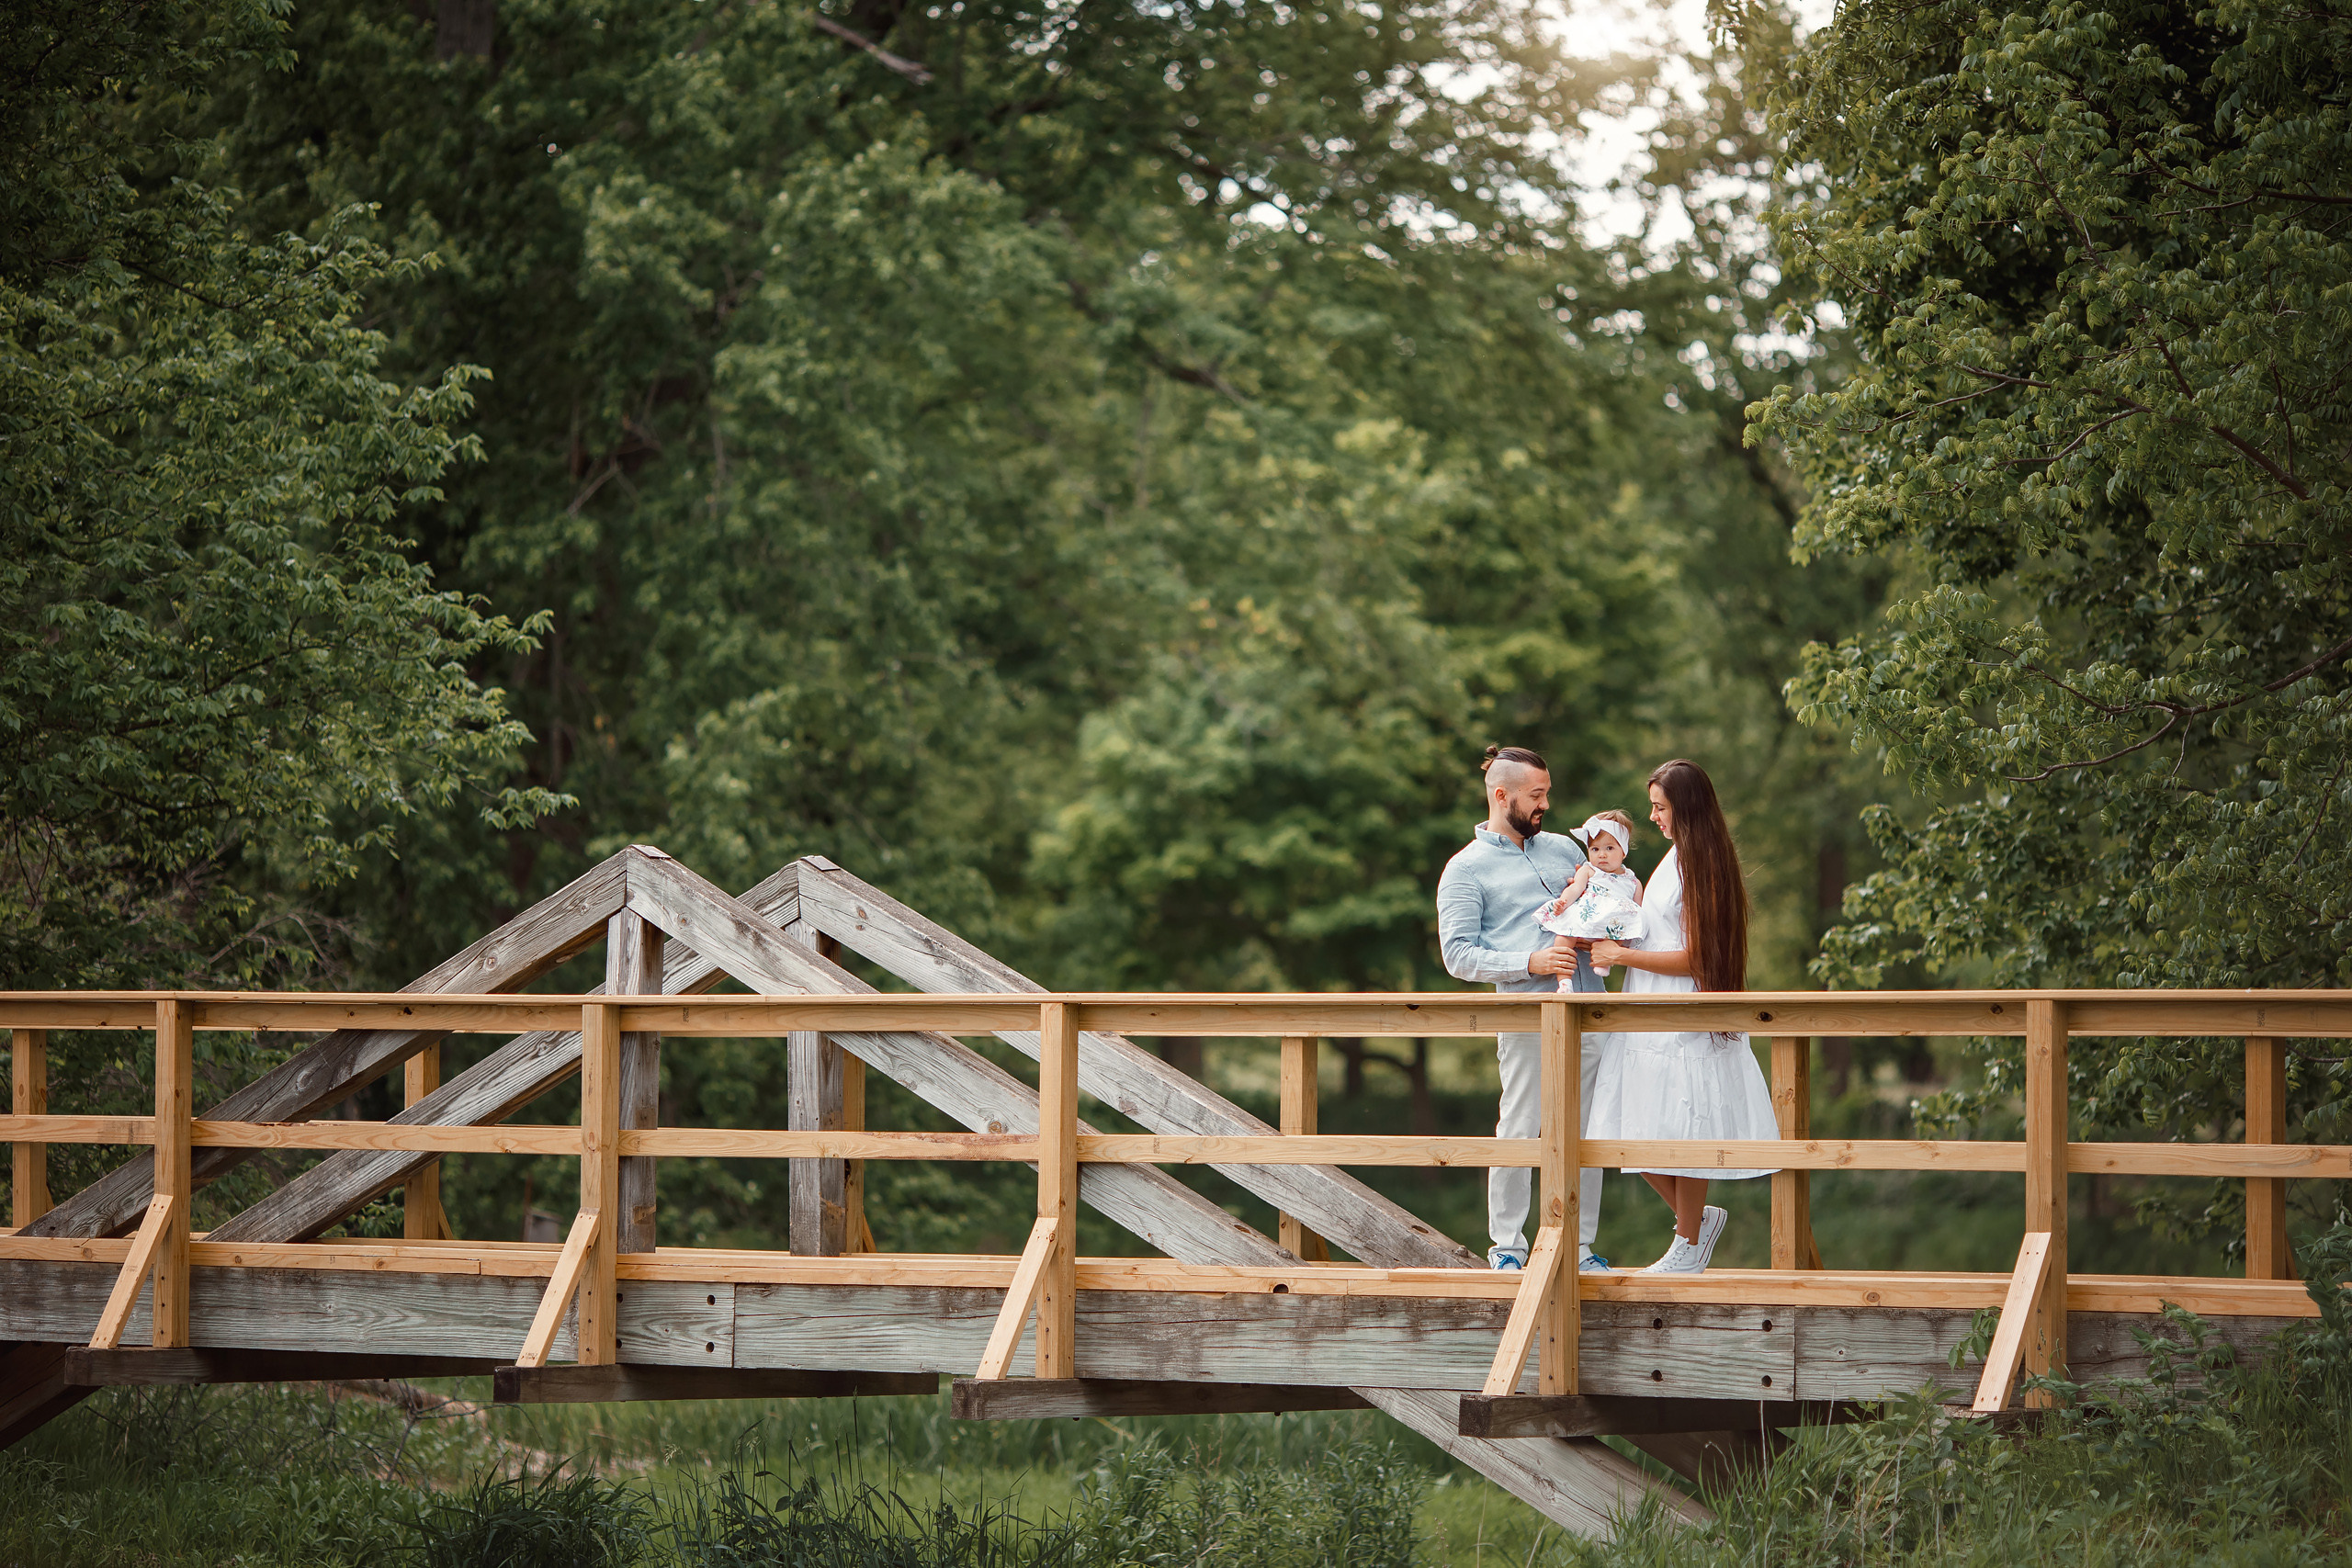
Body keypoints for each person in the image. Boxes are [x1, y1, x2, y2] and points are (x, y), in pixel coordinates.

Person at [1581, 759, 1779, 1274]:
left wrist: (1621, 956)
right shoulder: (1673, 857)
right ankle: (1695, 1221)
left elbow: (1698, 957)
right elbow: (1656, 927)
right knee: (1624, 1129)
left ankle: (1687, 1242)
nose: (1651, 817)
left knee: (1679, 1124)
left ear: (1685, 809)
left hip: (1679, 1011)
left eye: (1660, 807)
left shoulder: (1701, 864)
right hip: (1647, 1008)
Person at [1436, 745, 1611, 1274]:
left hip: (1589, 1010)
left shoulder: (1563, 850)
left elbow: (1611, 892)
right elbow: (1457, 955)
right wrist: (1530, 961)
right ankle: (1507, 1249)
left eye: (1547, 794)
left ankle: (1580, 1250)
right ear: (1501, 795)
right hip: (1527, 1018)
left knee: (1587, 1133)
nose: (1545, 806)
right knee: (1520, 1126)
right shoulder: (1464, 870)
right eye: (1536, 796)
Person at [1539, 812, 1644, 983]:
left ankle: (1604, 962)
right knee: (1563, 937)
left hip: (1611, 924)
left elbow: (1638, 913)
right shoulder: (1589, 870)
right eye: (1595, 849)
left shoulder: (1632, 881)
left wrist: (1625, 940)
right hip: (1586, 916)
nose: (1601, 855)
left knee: (1620, 931)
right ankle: (1564, 981)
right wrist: (1563, 902)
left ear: (1623, 851)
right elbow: (1575, 888)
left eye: (1609, 848)